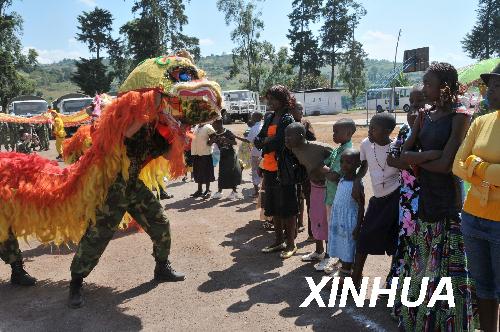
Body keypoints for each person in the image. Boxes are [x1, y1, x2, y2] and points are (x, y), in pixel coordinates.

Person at [398, 62, 477, 330]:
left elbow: (447, 166)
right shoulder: (425, 115)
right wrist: (425, 156)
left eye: (429, 83)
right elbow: (401, 157)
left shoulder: (460, 116)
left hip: (448, 204)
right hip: (427, 201)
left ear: (444, 86)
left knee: (448, 274)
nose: (424, 88)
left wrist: (416, 160)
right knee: (425, 271)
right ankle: (425, 323)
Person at [453, 63, 500, 332]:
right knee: (482, 287)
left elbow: (467, 165)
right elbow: (457, 165)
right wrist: (489, 174)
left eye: (497, 86)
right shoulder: (481, 122)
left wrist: (478, 167)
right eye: (489, 85)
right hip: (473, 219)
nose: (489, 91)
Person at [386, 86, 425, 318]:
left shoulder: (433, 128)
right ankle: (399, 289)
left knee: (422, 245)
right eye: (412, 100)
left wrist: (409, 160)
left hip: (427, 197)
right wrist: (415, 161)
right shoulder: (405, 128)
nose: (415, 105)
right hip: (407, 196)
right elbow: (393, 159)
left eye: (420, 100)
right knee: (405, 242)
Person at [350, 113, 400, 289]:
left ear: (387, 131)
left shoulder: (397, 147)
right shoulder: (365, 144)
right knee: (364, 237)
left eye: (374, 127)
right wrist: (357, 181)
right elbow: (364, 166)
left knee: (395, 241)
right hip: (378, 199)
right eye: (369, 126)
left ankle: (391, 281)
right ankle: (356, 277)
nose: (369, 130)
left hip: (396, 198)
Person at [254, 85, 298, 259]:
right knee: (274, 206)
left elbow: (280, 141)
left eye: (272, 99)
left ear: (282, 100)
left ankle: (291, 244)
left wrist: (265, 141)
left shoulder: (288, 118)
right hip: (270, 167)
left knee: (287, 207)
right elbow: (260, 137)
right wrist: (265, 140)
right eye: (268, 98)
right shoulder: (271, 116)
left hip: (284, 169)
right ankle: (278, 240)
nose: (269, 102)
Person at [284, 122, 333, 267]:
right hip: (314, 187)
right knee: (315, 218)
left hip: (327, 188)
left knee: (326, 220)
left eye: (289, 136)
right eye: (285, 136)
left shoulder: (319, 147)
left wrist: (322, 170)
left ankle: (330, 256)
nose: (286, 139)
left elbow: (338, 160)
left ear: (300, 136)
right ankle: (319, 251)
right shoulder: (293, 148)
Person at [322, 118, 356, 274]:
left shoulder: (348, 153)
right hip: (332, 197)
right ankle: (339, 262)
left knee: (342, 232)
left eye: (336, 132)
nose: (333, 134)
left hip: (339, 199)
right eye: (333, 131)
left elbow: (334, 175)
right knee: (335, 230)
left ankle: (342, 264)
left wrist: (320, 167)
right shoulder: (339, 149)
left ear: (349, 133)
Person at [327, 149, 364, 280]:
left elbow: (361, 207)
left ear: (357, 164)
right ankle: (344, 267)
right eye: (342, 162)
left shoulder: (357, 184)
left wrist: (358, 226)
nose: (344, 165)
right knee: (341, 244)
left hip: (349, 222)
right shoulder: (342, 179)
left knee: (348, 245)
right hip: (339, 219)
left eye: (348, 162)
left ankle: (346, 271)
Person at [291, 101, 315, 236]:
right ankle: (298, 224)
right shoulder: (288, 123)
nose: (299, 111)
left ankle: (312, 232)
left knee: (309, 199)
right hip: (293, 166)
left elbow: (313, 139)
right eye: (296, 109)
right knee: (296, 198)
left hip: (305, 166)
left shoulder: (305, 123)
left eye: (300, 108)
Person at [209, 117, 242, 199]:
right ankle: (219, 192)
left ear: (219, 124)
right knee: (222, 173)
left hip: (230, 155)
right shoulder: (214, 134)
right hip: (222, 155)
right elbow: (209, 143)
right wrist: (212, 140)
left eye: (214, 124)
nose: (213, 126)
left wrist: (226, 140)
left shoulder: (228, 132)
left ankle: (234, 192)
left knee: (232, 172)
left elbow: (234, 142)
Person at [236, 112, 263, 198]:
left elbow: (248, 141)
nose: (251, 118)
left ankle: (256, 192)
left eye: (252, 117)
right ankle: (263, 192)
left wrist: (236, 137)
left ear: (256, 118)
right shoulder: (264, 126)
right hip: (264, 153)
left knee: (255, 172)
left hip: (255, 153)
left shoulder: (254, 128)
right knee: (264, 172)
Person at [191, 123, 216, 199]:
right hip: (196, 152)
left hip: (205, 153)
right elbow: (194, 136)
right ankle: (199, 190)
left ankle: (207, 190)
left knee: (206, 172)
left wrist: (210, 142)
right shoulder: (196, 126)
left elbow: (214, 136)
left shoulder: (208, 127)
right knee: (198, 171)